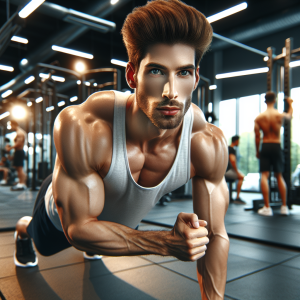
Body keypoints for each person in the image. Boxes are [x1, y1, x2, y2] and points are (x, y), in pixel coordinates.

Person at [14, 1, 229, 298]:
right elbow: (78, 230)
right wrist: (166, 242)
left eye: (183, 72)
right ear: (132, 76)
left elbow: (216, 235)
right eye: (156, 71)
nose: (171, 91)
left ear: (195, 77)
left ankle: (100, 241)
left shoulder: (206, 142)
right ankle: (22, 229)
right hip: (62, 214)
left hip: (119, 215)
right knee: (44, 244)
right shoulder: (85, 125)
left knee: (106, 233)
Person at [254, 91, 293, 216]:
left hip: (265, 145)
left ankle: (267, 207)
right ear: (275, 100)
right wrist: (290, 104)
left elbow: (257, 136)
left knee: (264, 176)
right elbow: (290, 116)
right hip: (276, 146)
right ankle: (284, 207)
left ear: (265, 101)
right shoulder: (279, 115)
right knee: (279, 176)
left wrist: (257, 151)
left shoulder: (259, 117)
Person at [225, 135, 246, 204]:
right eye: (239, 141)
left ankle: (234, 197)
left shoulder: (227, 148)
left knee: (240, 176)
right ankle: (237, 197)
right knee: (241, 177)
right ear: (236, 141)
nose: (239, 143)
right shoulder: (231, 149)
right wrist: (237, 172)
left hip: (225, 170)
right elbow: (233, 161)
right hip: (227, 171)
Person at [7, 120, 27, 190]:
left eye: (11, 125)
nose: (10, 127)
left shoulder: (19, 132)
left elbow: (19, 143)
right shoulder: (19, 132)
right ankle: (22, 183)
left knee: (19, 168)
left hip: (19, 151)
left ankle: (21, 184)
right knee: (19, 168)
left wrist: (10, 148)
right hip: (18, 152)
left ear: (14, 125)